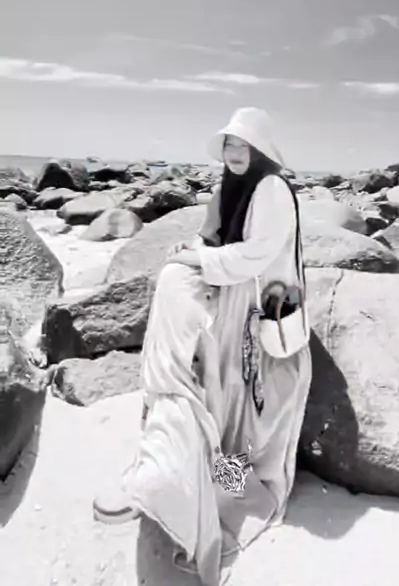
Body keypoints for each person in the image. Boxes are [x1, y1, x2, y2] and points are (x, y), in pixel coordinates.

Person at [93, 107, 312, 586]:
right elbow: (209, 237)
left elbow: (257, 254)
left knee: (245, 414)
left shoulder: (271, 189)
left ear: (260, 150)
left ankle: (230, 492)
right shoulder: (229, 188)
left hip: (257, 316)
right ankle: (199, 482)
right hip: (232, 311)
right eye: (229, 144)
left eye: (243, 145)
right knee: (224, 405)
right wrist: (191, 252)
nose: (235, 153)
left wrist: (197, 260)